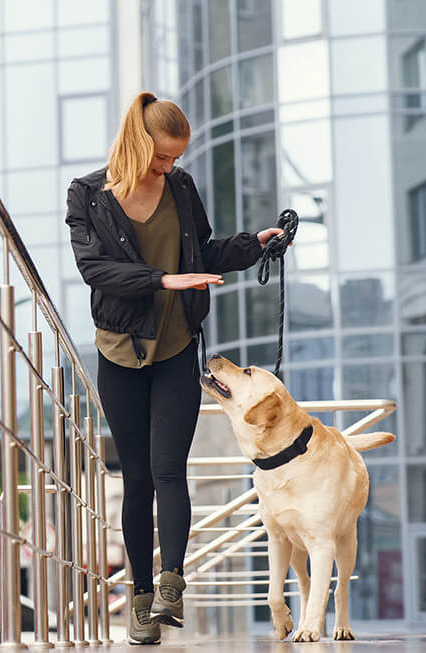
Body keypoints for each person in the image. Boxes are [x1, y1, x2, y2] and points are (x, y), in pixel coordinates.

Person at [64, 92, 285, 644]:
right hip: (120, 353)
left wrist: (251, 246)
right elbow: (96, 270)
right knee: (136, 478)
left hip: (176, 347)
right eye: (162, 158)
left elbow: (201, 255)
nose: (169, 168)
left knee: (170, 470)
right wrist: (162, 280)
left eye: (175, 159)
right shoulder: (87, 195)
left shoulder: (181, 188)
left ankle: (170, 582)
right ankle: (140, 599)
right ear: (139, 144)